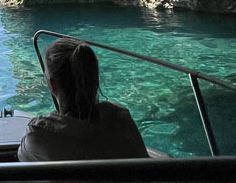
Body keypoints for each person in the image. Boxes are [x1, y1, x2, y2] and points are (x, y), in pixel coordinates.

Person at [18, 37, 149, 162]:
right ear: (94, 78)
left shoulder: (40, 134)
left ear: (52, 85)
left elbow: (22, 156)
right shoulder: (121, 120)